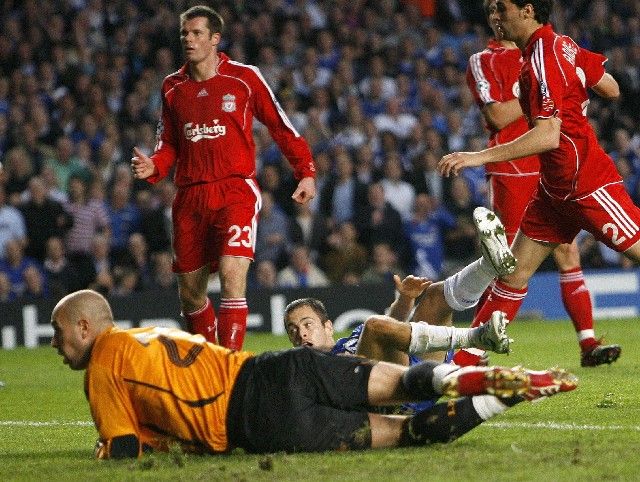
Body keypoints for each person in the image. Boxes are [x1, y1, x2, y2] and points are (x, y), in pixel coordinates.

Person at [51, 289, 577, 459]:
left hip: (259, 424)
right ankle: (494, 379)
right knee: (411, 381)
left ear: (83, 328)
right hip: (274, 371)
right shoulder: (147, 334)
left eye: (57, 334)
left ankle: (499, 398)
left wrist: (110, 447)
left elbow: (122, 448)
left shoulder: (103, 363)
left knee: (405, 436)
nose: (55, 346)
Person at [438, 0, 640, 367]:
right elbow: (609, 88)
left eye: (502, 8)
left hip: (586, 184)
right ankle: (463, 365)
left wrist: (474, 157)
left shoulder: (543, 57)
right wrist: (575, 84)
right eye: (491, 10)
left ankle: (584, 340)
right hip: (553, 189)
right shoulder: (558, 46)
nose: (495, 17)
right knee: (513, 274)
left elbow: (547, 136)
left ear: (528, 10)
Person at [130, 6, 316, 349]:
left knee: (232, 276)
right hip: (189, 196)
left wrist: (305, 172)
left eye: (196, 33)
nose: (188, 39)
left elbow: (280, 125)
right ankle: (208, 359)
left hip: (235, 189)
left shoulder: (244, 78)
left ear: (215, 39)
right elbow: (168, 143)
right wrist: (154, 166)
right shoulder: (172, 87)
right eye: (185, 33)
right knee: (190, 294)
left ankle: (227, 369)